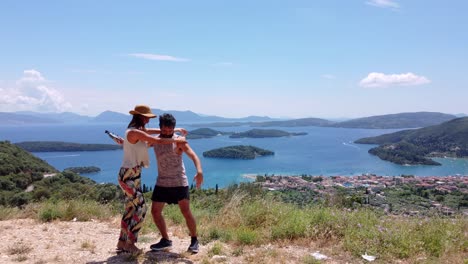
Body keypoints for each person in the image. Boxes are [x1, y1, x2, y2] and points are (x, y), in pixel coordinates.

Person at [116, 105, 186, 254]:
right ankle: (130, 244)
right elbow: (159, 140)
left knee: (130, 208)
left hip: (131, 175)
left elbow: (156, 133)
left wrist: (176, 129)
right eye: (147, 116)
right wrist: (178, 139)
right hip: (129, 175)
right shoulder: (135, 132)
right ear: (141, 117)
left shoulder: (136, 130)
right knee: (140, 209)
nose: (149, 119)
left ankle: (122, 242)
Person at [149, 113, 203, 254]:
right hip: (162, 182)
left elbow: (193, 155)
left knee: (185, 211)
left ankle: (194, 240)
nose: (167, 133)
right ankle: (166, 240)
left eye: (170, 130)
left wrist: (199, 171)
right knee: (155, 212)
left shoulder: (179, 141)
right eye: (164, 130)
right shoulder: (154, 140)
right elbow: (140, 134)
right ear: (160, 128)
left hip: (179, 181)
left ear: (173, 128)